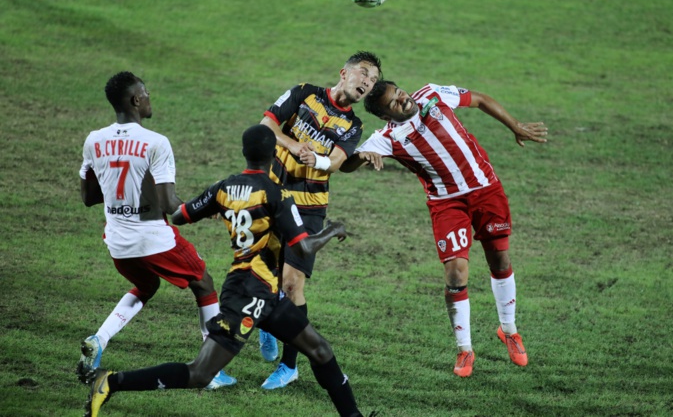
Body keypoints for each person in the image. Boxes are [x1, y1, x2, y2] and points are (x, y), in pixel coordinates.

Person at [84, 124, 366, 417]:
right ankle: (111, 382)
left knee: (320, 350)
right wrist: (332, 230)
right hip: (248, 294)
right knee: (200, 373)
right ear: (274, 154)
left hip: (265, 293)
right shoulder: (276, 194)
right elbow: (304, 248)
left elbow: (179, 215)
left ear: (244, 152)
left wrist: (216, 207)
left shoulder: (223, 188)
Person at [342, 80, 548, 378]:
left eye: (398, 92)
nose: (402, 98)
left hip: (486, 189)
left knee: (500, 260)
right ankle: (465, 349)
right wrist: (361, 156)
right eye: (393, 102)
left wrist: (514, 125)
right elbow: (345, 165)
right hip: (447, 205)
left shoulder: (433, 94)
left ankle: (509, 330)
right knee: (455, 273)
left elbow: (479, 99)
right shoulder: (386, 137)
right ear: (386, 116)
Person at [78, 71, 235, 389]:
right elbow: (169, 205)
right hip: (152, 238)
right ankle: (212, 371)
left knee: (146, 285)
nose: (150, 97)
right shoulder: (155, 143)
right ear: (135, 100)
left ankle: (100, 339)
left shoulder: (94, 140)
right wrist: (207, 208)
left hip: (117, 242)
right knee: (203, 282)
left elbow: (89, 197)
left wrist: (122, 194)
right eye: (146, 92)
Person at [257, 51, 382, 389]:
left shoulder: (354, 125)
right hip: (273, 195)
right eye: (364, 74)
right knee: (263, 274)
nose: (367, 83)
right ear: (344, 72)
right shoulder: (303, 93)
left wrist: (322, 159)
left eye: (373, 81)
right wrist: (293, 145)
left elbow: (337, 162)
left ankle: (289, 365)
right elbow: (267, 125)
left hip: (310, 207)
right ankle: (267, 322)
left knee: (291, 284)